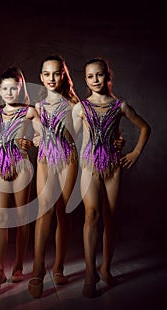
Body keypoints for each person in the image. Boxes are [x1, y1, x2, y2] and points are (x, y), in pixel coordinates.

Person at [72, 58, 151, 298]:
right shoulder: (80, 107)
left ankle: (105, 269)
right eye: (90, 76)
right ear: (85, 80)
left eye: (99, 75)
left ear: (108, 76)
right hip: (89, 166)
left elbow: (145, 127)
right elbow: (71, 138)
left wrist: (134, 151)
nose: (95, 80)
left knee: (110, 218)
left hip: (112, 167)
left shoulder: (119, 105)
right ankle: (89, 273)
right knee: (91, 214)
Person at [27, 55, 79, 298]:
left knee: (63, 212)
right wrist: (34, 139)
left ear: (63, 75)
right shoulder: (36, 107)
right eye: (46, 74)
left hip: (67, 159)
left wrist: (117, 139)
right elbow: (28, 134)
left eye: (56, 73)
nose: (51, 78)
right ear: (40, 77)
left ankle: (59, 265)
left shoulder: (73, 104)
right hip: (46, 159)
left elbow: (84, 134)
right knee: (43, 211)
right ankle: (38, 268)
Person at [0, 66, 41, 297]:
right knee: (0, 218)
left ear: (20, 90)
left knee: (21, 218)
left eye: (14, 88)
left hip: (21, 166)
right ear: (0, 91)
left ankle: (18, 265)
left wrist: (32, 140)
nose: (10, 92)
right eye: (6, 89)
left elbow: (40, 135)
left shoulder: (30, 112)